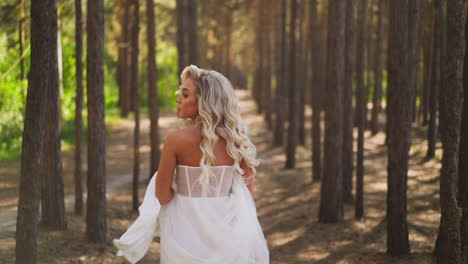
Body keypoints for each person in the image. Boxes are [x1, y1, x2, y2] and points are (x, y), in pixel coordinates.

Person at [113, 65, 270, 263]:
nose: (178, 98)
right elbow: (248, 191)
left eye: (185, 95)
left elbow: (162, 195)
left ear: (204, 102)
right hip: (227, 228)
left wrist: (185, 195)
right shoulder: (236, 140)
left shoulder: (176, 140)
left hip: (183, 229)